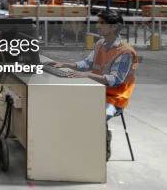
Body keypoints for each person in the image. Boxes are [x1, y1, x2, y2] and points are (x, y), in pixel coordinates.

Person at [49, 9, 138, 159]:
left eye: (102, 23)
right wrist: (66, 64)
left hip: (114, 99)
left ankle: (102, 153)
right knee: (65, 106)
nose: (97, 26)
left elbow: (115, 79)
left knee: (98, 115)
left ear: (113, 27)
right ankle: (76, 145)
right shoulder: (100, 44)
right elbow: (87, 63)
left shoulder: (125, 52)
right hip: (95, 92)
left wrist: (86, 75)